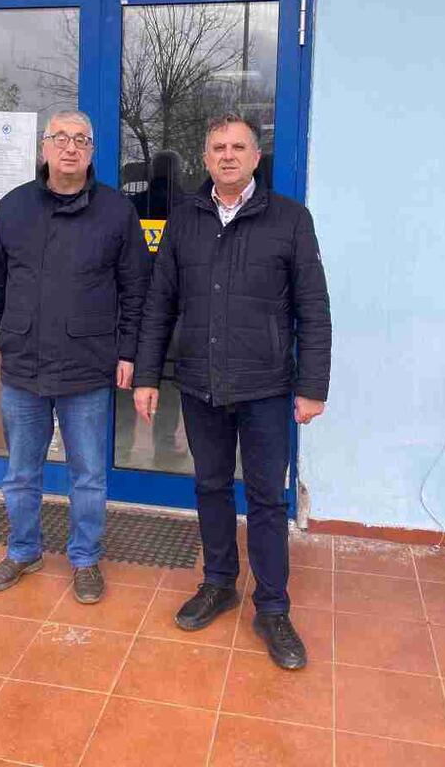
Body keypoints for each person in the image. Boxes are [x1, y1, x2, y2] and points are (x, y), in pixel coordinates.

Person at [133, 113, 331, 670]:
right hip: (200, 382)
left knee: (267, 498)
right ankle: (219, 582)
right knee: (211, 486)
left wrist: (312, 385)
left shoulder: (290, 219)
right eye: (218, 147)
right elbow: (160, 303)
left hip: (266, 386)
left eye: (238, 147)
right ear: (204, 158)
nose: (227, 155)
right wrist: (147, 376)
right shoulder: (184, 218)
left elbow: (313, 308)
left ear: (255, 157)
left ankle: (272, 607)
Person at [0, 110, 151, 604]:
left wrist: (129, 353)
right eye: (61, 138)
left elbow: (136, 291)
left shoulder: (116, 212)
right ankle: (23, 550)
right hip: (23, 365)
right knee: (21, 473)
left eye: (81, 140)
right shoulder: (14, 207)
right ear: (44, 147)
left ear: (92, 151)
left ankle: (85, 558)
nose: (71, 147)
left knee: (87, 476)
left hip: (87, 365)